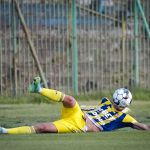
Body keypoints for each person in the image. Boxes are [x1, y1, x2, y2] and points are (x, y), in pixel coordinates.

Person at [0, 77, 150, 134]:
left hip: (78, 126)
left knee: (42, 128)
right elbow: (93, 108)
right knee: (71, 100)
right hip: (79, 114)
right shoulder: (105, 101)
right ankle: (38, 89)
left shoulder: (125, 118)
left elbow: (143, 127)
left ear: (125, 104)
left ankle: (5, 131)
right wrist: (81, 108)